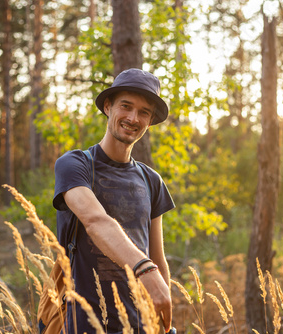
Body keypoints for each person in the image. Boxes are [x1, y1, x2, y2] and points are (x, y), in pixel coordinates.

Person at [52, 68, 175, 334]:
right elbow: (95, 221)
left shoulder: (151, 180)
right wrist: (146, 270)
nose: (133, 118)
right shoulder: (75, 165)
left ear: (150, 120)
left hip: (140, 325)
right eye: (126, 106)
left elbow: (157, 256)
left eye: (144, 112)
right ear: (108, 107)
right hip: (83, 322)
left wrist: (163, 323)